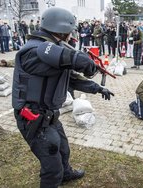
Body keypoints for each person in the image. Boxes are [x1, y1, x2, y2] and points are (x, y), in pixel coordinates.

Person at [12, 7, 114, 188]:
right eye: (69, 32)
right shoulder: (32, 51)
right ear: (62, 31)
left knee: (63, 149)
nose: (71, 36)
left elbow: (71, 78)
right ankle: (57, 177)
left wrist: (98, 88)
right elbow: (66, 58)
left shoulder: (54, 52)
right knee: (52, 166)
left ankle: (66, 173)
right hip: (33, 118)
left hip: (49, 115)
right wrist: (81, 60)